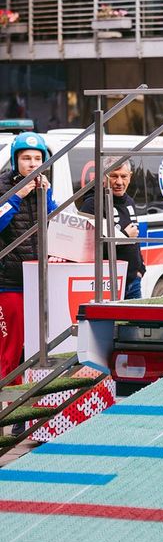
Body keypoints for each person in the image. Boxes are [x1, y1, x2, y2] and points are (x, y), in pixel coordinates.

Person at [0, 131, 57, 382]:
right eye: (26, 158)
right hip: (8, 281)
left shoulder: (43, 186)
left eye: (37, 158)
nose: (33, 164)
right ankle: (9, 408)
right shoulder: (3, 186)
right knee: (10, 348)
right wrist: (17, 195)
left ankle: (28, 405)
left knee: (35, 345)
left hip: (37, 279)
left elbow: (56, 226)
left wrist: (48, 197)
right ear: (15, 160)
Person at [80, 158, 145, 300]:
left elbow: (135, 239)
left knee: (136, 322)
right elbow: (87, 250)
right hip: (106, 283)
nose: (119, 182)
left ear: (130, 176)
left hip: (133, 282)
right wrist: (124, 235)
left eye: (124, 176)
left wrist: (141, 269)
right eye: (114, 176)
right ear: (103, 177)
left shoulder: (130, 201)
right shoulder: (92, 205)